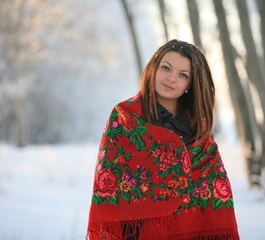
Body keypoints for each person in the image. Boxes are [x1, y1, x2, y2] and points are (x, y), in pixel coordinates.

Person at [86, 39, 239, 240]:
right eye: (166, 68)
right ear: (153, 69)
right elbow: (111, 182)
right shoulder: (125, 118)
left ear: (191, 84)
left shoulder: (198, 129)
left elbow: (212, 190)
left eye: (183, 75)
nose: (171, 78)